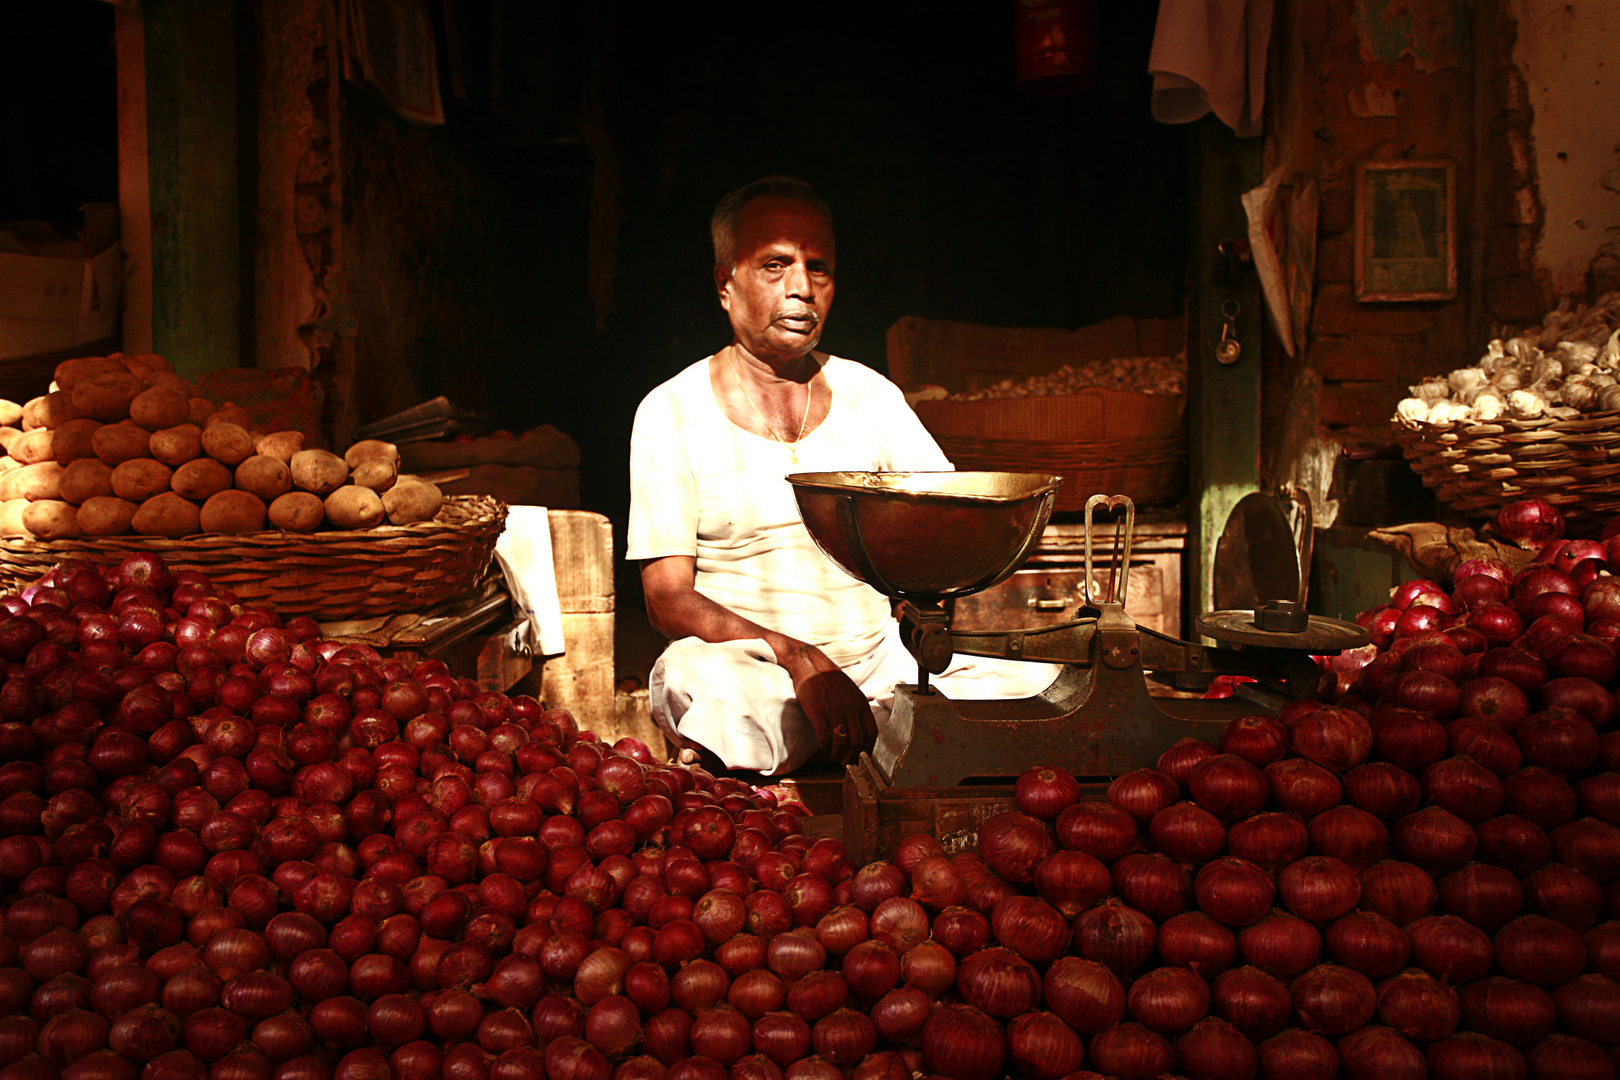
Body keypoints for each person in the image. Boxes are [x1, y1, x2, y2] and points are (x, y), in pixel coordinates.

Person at [626, 176, 1057, 776]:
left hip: (881, 661)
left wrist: (921, 604)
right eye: (775, 265)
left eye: (818, 268)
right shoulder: (670, 411)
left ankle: (868, 725)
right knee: (701, 684)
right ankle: (897, 735)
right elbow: (665, 598)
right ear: (725, 284)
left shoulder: (868, 395)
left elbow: (942, 514)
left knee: (1041, 681)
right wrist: (800, 660)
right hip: (760, 671)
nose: (801, 288)